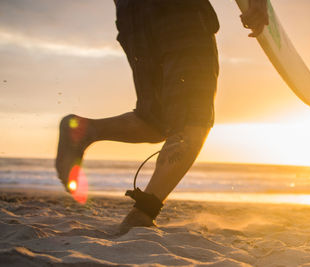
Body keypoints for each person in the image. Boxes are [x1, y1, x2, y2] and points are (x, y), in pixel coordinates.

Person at [55, 0, 268, 234]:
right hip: (179, 13)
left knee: (156, 119)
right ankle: (143, 213)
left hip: (132, 16)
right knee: (193, 120)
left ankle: (85, 130)